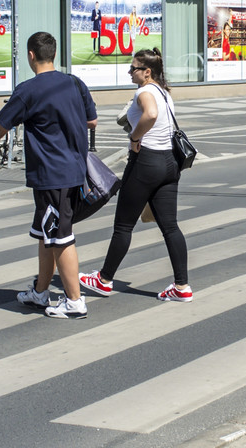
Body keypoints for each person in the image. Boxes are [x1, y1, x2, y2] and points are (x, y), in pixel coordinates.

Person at [0, 32, 98, 319]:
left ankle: (74, 302)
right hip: (73, 170)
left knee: (61, 237)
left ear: (31, 55)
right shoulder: (74, 83)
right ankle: (40, 293)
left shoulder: (28, 90)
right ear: (54, 54)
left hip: (52, 173)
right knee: (46, 233)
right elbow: (91, 120)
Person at [79, 48, 193, 303]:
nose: (129, 72)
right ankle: (182, 286)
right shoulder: (164, 92)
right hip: (169, 164)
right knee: (170, 227)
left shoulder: (144, 91)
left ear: (147, 72)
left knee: (123, 225)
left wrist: (134, 136)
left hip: (145, 162)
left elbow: (150, 115)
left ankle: (104, 279)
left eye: (133, 68)